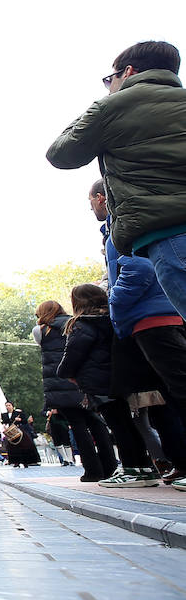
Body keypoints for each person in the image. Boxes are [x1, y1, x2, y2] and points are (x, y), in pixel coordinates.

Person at [47, 40, 186, 317]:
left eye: (111, 79)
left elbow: (61, 154)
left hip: (168, 233)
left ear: (129, 72)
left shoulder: (111, 108)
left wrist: (101, 107)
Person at [96, 178, 186, 488]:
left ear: (102, 198)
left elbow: (138, 269)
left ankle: (155, 466)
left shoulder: (124, 224)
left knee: (175, 391)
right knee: (168, 395)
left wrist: (116, 304)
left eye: (93, 199)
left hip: (150, 318)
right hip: (158, 314)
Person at [57, 284, 159, 487]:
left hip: (99, 383)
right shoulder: (115, 319)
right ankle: (144, 467)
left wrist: (65, 373)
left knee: (118, 426)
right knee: (130, 424)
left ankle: (131, 469)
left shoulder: (82, 325)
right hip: (121, 379)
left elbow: (73, 355)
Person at [35, 300, 115, 481]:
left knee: (78, 427)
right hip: (81, 381)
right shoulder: (75, 323)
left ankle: (92, 470)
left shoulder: (41, 331)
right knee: (96, 423)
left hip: (60, 384)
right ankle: (110, 465)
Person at [0, 402, 41, 467]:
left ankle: (28, 461)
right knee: (13, 448)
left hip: (19, 431)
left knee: (25, 446)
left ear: (12, 406)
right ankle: (16, 462)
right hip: (11, 433)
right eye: (6, 406)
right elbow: (4, 422)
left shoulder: (18, 413)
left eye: (9, 405)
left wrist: (19, 419)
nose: (8, 407)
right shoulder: (4, 415)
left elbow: (25, 421)